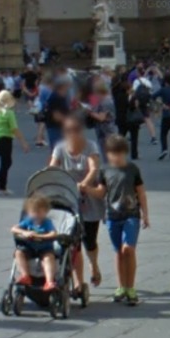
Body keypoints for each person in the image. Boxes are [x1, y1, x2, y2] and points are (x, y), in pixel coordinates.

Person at [86, 134, 149, 306]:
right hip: (113, 216)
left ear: (125, 153)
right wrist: (87, 189)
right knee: (119, 252)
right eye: (114, 153)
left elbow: (141, 192)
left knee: (128, 248)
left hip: (131, 215)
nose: (117, 156)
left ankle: (131, 287)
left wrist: (145, 214)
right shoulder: (105, 171)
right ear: (108, 154)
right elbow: (101, 192)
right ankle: (121, 287)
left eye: (120, 153)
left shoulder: (133, 169)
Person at [50, 116, 103, 290]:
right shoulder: (60, 148)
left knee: (90, 240)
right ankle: (79, 282)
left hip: (87, 196)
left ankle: (94, 265)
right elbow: (53, 168)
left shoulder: (90, 146)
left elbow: (94, 168)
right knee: (73, 243)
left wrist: (85, 184)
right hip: (68, 198)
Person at [10, 194, 60, 293]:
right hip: (29, 247)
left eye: (39, 212)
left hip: (44, 247)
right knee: (18, 253)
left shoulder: (47, 222)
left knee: (48, 257)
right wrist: (24, 232)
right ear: (28, 212)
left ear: (45, 212)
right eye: (33, 212)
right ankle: (25, 275)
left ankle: (49, 281)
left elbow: (53, 233)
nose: (36, 214)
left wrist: (41, 236)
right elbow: (14, 228)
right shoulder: (28, 221)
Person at [0, 89, 31, 194]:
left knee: (5, 161)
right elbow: (14, 129)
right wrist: (23, 142)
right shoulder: (9, 113)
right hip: (6, 138)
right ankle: (0, 184)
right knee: (7, 161)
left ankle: (0, 184)